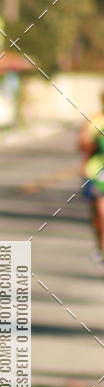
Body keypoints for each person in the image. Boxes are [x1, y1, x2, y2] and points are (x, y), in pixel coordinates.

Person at [78, 91, 104, 262]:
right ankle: (101, 248)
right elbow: (81, 144)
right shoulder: (95, 120)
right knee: (98, 216)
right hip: (97, 173)